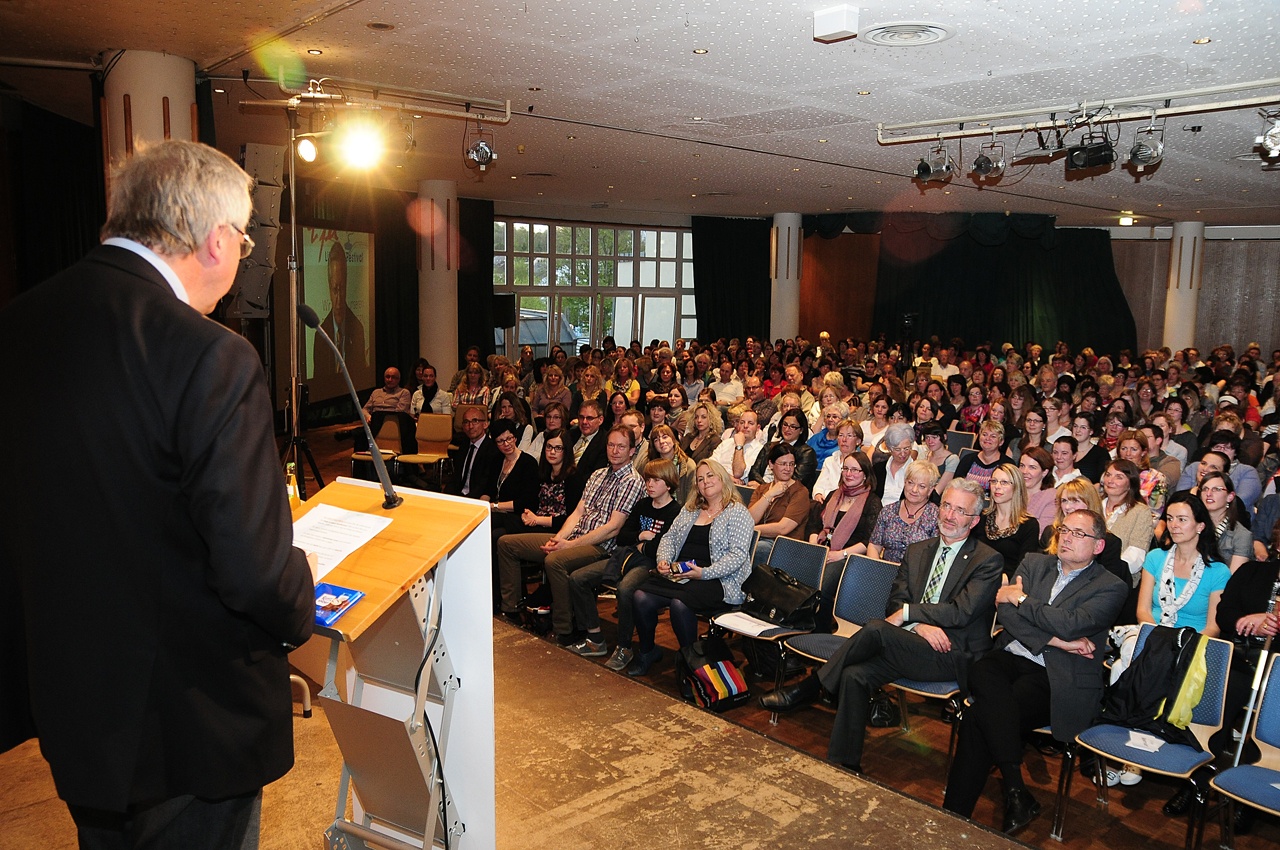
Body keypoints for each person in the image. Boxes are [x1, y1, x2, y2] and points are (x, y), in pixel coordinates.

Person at [0, 140, 315, 848]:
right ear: (216, 240)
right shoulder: (210, 354)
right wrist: (303, 597)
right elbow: (254, 571)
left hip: (71, 701)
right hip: (188, 717)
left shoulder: (19, 326)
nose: (240, 258)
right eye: (244, 240)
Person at [760, 479, 1003, 775]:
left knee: (876, 629)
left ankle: (812, 686)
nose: (950, 515)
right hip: (909, 643)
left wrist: (909, 614)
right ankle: (846, 763)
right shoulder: (918, 551)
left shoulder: (987, 560)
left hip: (949, 653)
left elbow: (961, 612)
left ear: (974, 520)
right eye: (946, 506)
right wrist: (917, 624)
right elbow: (895, 602)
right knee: (855, 675)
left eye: (960, 511)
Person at [943, 508, 1127, 835]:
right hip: (1012, 656)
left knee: (978, 715)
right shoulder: (1034, 562)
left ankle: (954, 817)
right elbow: (1006, 613)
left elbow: (1072, 624)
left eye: (1078, 533)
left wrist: (1023, 600)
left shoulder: (1111, 585)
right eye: (1064, 530)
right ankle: (1015, 790)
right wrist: (1057, 640)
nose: (1066, 538)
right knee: (982, 670)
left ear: (1098, 546)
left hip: (1057, 676)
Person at [495, 424, 645, 643]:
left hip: (602, 548)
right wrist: (559, 539)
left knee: (555, 560)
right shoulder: (598, 475)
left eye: (621, 446)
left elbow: (613, 528)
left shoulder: (632, 481)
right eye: (611, 445)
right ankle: (512, 611)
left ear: (632, 450)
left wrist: (569, 545)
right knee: (506, 544)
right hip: (574, 537)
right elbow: (577, 513)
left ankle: (563, 629)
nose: (614, 450)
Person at [627, 460, 755, 676]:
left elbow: (737, 557)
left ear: (723, 478)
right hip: (682, 573)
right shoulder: (690, 510)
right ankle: (647, 651)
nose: (705, 482)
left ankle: (692, 665)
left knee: (680, 604)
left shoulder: (738, 513)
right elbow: (669, 538)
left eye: (710, 476)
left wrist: (704, 573)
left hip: (719, 580)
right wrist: (664, 560)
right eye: (700, 479)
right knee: (640, 597)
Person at [566, 459, 684, 666]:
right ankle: (594, 638)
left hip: (651, 564)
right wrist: (641, 536)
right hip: (626, 557)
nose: (650, 484)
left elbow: (664, 548)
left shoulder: (675, 511)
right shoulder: (643, 505)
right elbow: (622, 537)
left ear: (668, 484)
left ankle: (624, 647)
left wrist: (641, 545)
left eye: (656, 480)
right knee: (578, 578)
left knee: (625, 589)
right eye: (648, 480)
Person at [1136, 492, 1230, 636]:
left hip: (1192, 641)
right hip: (1152, 635)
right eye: (1170, 519)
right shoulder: (1155, 557)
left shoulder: (1218, 571)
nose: (1173, 525)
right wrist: (1158, 638)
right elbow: (1143, 611)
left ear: (1200, 526)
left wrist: (1182, 644)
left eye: (1182, 520)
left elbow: (1213, 628)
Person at [311, 238, 369, 380]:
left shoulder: (357, 329)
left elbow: (361, 375)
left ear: (346, 284)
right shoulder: (320, 337)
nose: (338, 297)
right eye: (334, 289)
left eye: (341, 288)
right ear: (329, 287)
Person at [747, 443, 812, 563]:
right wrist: (769, 494)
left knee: (756, 548)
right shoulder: (762, 489)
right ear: (771, 464)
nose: (788, 469)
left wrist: (751, 529)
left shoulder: (800, 492)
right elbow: (750, 520)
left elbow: (783, 528)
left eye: (791, 464)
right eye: (783, 464)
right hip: (758, 539)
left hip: (784, 547)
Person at [810, 452, 882, 562]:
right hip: (821, 550)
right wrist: (814, 547)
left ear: (865, 475)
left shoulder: (873, 502)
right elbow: (815, 525)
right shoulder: (832, 495)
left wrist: (841, 554)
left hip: (849, 558)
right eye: (845, 469)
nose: (848, 474)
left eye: (854, 470)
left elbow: (869, 541)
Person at [866, 460, 942, 563]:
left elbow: (936, 554)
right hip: (886, 568)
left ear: (930, 490)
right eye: (911, 483)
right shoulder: (888, 511)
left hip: (917, 571)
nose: (914, 489)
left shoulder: (936, 515)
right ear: (904, 482)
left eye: (921, 486)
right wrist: (877, 567)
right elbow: (874, 546)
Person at [973, 463, 1040, 577]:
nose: (997, 486)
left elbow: (1025, 568)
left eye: (1004, 482)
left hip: (1007, 581)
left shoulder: (1029, 525)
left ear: (1017, 487)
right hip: (977, 576)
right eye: (994, 481)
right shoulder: (981, 518)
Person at [1102, 458, 1155, 582]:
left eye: (1119, 477)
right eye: (1108, 475)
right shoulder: (1093, 505)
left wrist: (1103, 576)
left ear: (1130, 483)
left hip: (1120, 579)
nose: (1110, 481)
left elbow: (1136, 557)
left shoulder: (1140, 512)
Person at [1199, 471, 1253, 571]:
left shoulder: (1241, 535)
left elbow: (1234, 577)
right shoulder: (1192, 527)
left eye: (1216, 489)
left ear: (1230, 496)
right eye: (1205, 489)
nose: (1209, 494)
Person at [631, 423, 696, 503]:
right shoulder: (647, 463)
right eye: (656, 440)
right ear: (653, 445)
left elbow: (692, 497)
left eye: (665, 437)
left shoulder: (688, 465)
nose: (661, 441)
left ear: (673, 439)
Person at [449, 405, 502, 499]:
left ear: (485, 424)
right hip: (459, 497)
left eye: (475, 421)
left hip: (476, 499)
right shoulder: (463, 447)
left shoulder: (493, 451)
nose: (470, 426)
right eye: (466, 422)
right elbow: (455, 478)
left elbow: (486, 485)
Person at [710, 409, 766, 485]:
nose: (745, 426)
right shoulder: (725, 443)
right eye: (742, 422)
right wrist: (729, 477)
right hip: (716, 483)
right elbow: (710, 466)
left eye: (750, 423)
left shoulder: (760, 450)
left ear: (758, 428)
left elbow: (738, 473)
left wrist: (739, 445)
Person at [955, 420, 1010, 493]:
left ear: (1001, 442)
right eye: (984, 434)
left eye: (993, 436)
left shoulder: (1007, 464)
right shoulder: (967, 460)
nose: (987, 438)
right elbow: (956, 486)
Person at [873, 423, 918, 504]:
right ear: (889, 448)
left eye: (906, 448)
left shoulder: (917, 471)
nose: (903, 454)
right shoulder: (878, 469)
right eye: (898, 449)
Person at [1018, 447, 1058, 534]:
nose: (1024, 471)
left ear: (1045, 472)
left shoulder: (1051, 497)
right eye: (1022, 466)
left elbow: (1041, 533)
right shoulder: (1012, 492)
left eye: (1032, 467)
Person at [919, 422, 958, 495]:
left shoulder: (952, 459)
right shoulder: (923, 456)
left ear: (944, 437)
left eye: (934, 437)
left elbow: (938, 490)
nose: (930, 441)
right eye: (927, 437)